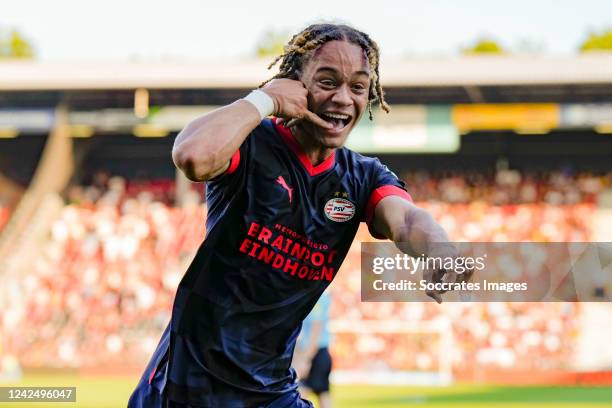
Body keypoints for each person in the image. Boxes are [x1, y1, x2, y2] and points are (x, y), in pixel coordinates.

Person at [129, 23, 469, 407]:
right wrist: (263, 101)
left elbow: (405, 220)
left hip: (271, 390)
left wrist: (440, 249)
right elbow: (193, 156)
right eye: (327, 82)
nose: (343, 98)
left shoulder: (362, 177)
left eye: (358, 87)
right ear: (294, 84)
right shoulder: (250, 143)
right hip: (184, 387)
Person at [293, 291, 333, 408]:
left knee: (300, 392)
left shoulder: (317, 298)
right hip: (314, 351)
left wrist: (306, 359)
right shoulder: (313, 295)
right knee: (323, 393)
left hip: (315, 352)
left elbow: (316, 330)